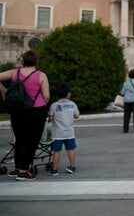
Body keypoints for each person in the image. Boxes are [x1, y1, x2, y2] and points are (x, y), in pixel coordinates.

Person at [0, 50, 50, 180]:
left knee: (20, 139)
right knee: (31, 141)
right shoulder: (41, 75)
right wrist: (43, 103)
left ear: (23, 61)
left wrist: (4, 91)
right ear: (36, 61)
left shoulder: (14, 73)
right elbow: (46, 96)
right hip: (36, 111)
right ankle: (24, 171)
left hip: (18, 110)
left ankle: (17, 168)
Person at [47, 83, 80, 176]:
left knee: (56, 151)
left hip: (57, 134)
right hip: (69, 133)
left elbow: (50, 118)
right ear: (68, 94)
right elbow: (77, 116)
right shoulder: (72, 104)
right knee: (71, 149)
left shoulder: (54, 105)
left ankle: (54, 169)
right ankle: (72, 166)